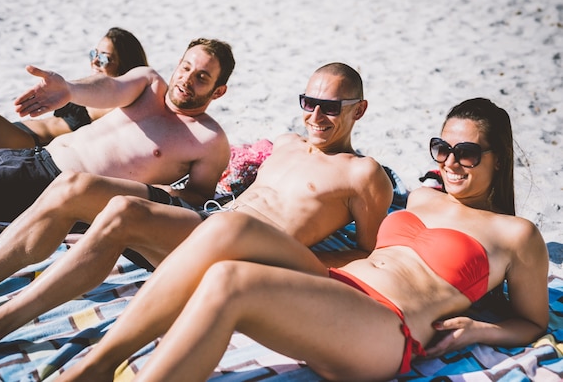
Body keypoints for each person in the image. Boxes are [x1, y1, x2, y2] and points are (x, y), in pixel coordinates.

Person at [53, 98, 547, 381]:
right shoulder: (420, 195)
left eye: (467, 152)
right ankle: (100, 363)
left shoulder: (517, 234)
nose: (450, 162)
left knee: (231, 282)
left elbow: (531, 321)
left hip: (384, 326)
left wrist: (483, 332)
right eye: (442, 147)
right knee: (230, 226)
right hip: (335, 285)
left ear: (497, 158)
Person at [0, 62, 395, 368]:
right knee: (74, 185)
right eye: (308, 103)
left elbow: (366, 252)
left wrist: (305, 265)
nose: (315, 115)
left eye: (330, 107)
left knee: (123, 213)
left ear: (360, 110)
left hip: (244, 248)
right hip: (208, 222)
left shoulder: (364, 174)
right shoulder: (287, 142)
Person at [0, 37, 235, 229]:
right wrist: (70, 89)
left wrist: (139, 195)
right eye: (185, 68)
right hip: (31, 157)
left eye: (201, 77)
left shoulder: (208, 140)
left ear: (218, 91)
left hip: (51, 187)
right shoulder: (149, 83)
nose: (186, 80)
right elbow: (110, 88)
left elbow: (197, 196)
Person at [0, 27, 148, 160]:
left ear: (125, 64)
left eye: (104, 58)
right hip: (14, 131)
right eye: (94, 53)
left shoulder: (119, 101)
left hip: (25, 145)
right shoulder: (90, 89)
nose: (94, 61)